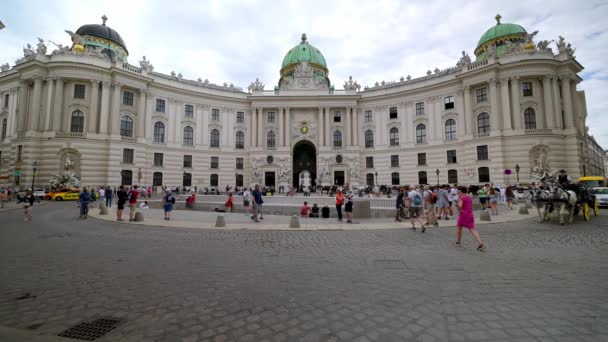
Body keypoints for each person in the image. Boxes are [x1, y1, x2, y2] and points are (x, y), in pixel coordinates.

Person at [455, 186, 484, 251]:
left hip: (463, 215)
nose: (458, 192)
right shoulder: (469, 197)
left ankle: (458, 242)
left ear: (461, 192)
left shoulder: (461, 198)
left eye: (458, 191)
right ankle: (480, 242)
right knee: (472, 229)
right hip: (470, 214)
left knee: (459, 228)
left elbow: (460, 206)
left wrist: (458, 205)